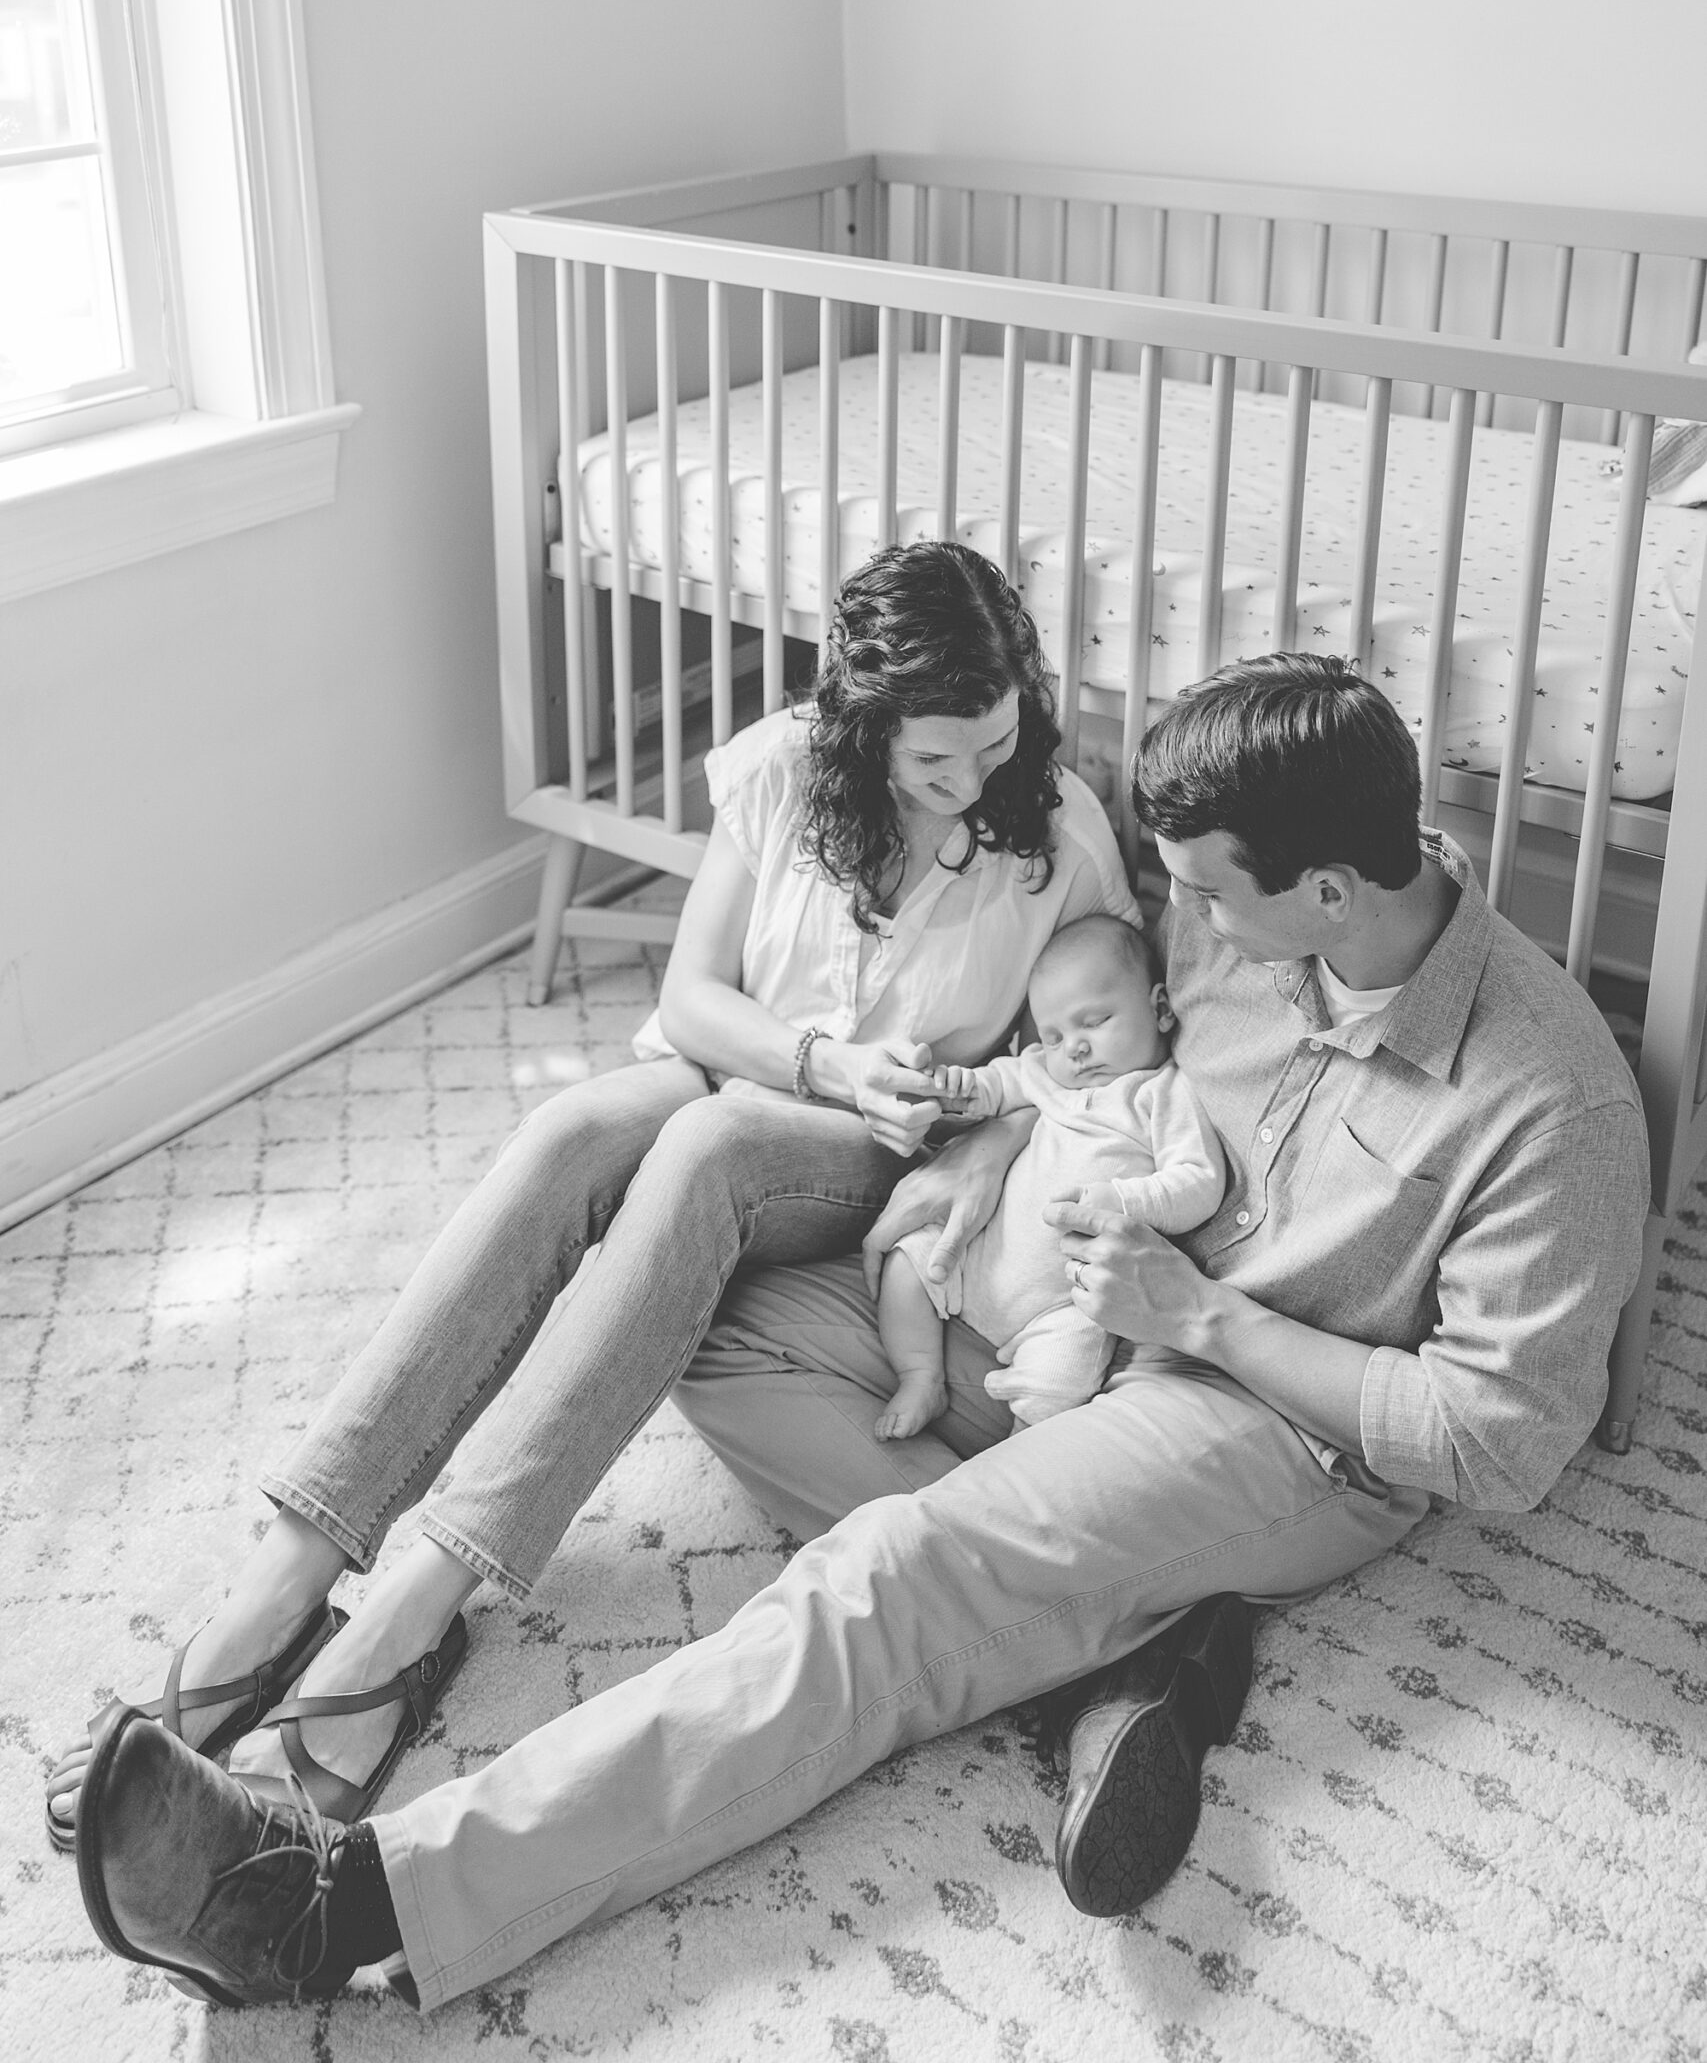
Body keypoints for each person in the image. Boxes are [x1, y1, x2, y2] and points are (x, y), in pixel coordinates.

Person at [74, 653, 1651, 2017]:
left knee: (888, 1586)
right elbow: (1077, 1073)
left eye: (1210, 898)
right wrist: (978, 1170)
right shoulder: (1244, 922)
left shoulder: (1547, 1097)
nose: (1180, 926)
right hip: (1062, 1317)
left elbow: (1502, 1445)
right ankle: (1121, 1647)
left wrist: (1211, 1324)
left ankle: (336, 1910)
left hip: (1266, 1422)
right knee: (709, 1318)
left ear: (1325, 892)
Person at [47, 540, 1138, 1849]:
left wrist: (969, 1150)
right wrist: (822, 1059)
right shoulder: (786, 770)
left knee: (711, 1150)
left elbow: (1103, 1057)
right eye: (932, 764)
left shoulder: (1057, 838)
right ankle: (288, 1577)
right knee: (570, 1131)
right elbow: (690, 999)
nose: (971, 787)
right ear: (861, 732)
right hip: (750, 1071)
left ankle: (413, 1612)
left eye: (995, 746)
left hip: (878, 1152)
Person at [873, 912, 1224, 1438]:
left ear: (1159, 1009)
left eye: (1095, 1021)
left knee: (1062, 1380)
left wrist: (1121, 1200)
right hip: (977, 1253)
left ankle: (1015, 1460)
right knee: (908, 1262)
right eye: (1054, 1034)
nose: (1073, 1049)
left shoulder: (1160, 1095)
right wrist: (957, 1089)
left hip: (1065, 1302)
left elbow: (1198, 1181)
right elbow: (994, 1084)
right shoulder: (1044, 1071)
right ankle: (919, 1375)